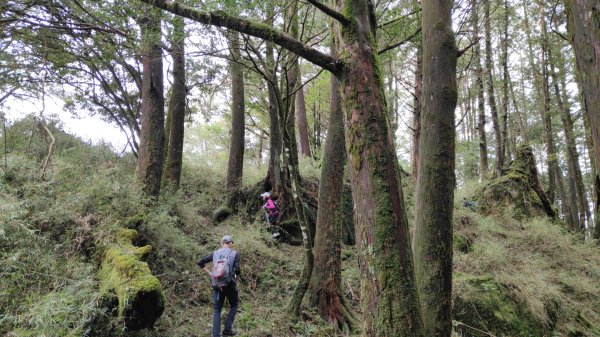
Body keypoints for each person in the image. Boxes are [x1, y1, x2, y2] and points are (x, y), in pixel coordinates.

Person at [197, 235, 240, 337]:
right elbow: (237, 270)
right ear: (230, 243)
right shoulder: (234, 253)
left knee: (217, 310)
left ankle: (216, 335)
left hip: (216, 284)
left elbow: (200, 263)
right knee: (234, 304)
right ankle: (227, 329)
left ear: (222, 243)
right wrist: (235, 280)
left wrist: (211, 274)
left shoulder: (215, 253)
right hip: (229, 284)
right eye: (231, 243)